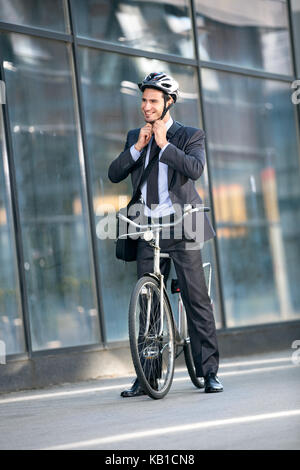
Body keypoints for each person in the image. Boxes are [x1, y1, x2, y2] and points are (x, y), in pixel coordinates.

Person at [108, 72, 223, 396]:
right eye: (143, 100)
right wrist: (139, 147)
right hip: (146, 225)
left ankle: (209, 371)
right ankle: (148, 376)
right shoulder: (135, 135)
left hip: (184, 223)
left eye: (153, 101)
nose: (146, 106)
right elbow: (114, 173)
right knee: (148, 303)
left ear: (168, 102)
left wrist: (164, 145)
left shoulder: (190, 135)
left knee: (196, 299)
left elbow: (195, 170)